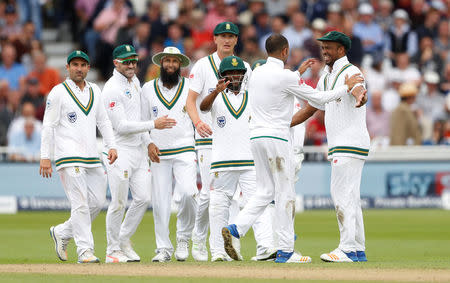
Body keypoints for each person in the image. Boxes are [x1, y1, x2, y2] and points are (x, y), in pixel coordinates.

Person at [222, 33, 365, 263]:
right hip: (276, 138)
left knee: (265, 191)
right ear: (285, 51)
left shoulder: (256, 73)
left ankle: (236, 227)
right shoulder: (286, 76)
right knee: (285, 194)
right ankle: (286, 251)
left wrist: (297, 73)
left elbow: (280, 86)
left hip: (256, 137)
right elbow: (317, 96)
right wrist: (345, 88)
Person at [290, 31, 369, 262]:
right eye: (323, 47)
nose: (324, 51)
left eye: (329, 47)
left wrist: (359, 96)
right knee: (351, 196)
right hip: (343, 143)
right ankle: (357, 249)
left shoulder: (351, 71)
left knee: (341, 194)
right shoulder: (326, 75)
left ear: (341, 50)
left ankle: (346, 249)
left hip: (349, 142)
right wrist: (285, 124)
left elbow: (358, 89)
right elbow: (313, 105)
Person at [40, 50, 117, 263]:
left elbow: (103, 121)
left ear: (88, 68)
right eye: (75, 65)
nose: (79, 69)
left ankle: (63, 232)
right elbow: (48, 126)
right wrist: (45, 156)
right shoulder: (58, 92)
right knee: (81, 204)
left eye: (83, 65)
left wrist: (112, 145)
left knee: (97, 202)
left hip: (92, 155)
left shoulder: (94, 90)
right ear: (68, 67)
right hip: (68, 156)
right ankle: (85, 251)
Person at [101, 44, 176, 263]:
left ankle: (123, 240)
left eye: (134, 60)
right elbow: (122, 126)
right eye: (126, 61)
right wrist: (154, 124)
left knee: (143, 198)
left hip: (138, 150)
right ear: (116, 63)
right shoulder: (111, 88)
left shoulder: (134, 82)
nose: (132, 65)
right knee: (118, 202)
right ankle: (112, 250)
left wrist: (149, 141)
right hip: (119, 150)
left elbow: (137, 118)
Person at [199, 56, 276, 262]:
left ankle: (266, 247)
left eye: (239, 73)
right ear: (222, 76)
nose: (235, 76)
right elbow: (203, 108)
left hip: (251, 161)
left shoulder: (252, 96)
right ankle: (217, 252)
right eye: (230, 73)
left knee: (258, 203)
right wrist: (216, 90)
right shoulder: (216, 97)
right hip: (222, 161)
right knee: (217, 206)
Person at [185, 21, 250, 261]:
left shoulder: (244, 67)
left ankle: (229, 245)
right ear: (214, 39)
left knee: (232, 195)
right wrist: (197, 122)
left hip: (235, 141)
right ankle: (200, 239)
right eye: (222, 36)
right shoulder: (202, 65)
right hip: (208, 137)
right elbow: (191, 101)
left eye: (231, 36)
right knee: (209, 194)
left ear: (236, 40)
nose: (226, 40)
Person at [141, 47, 197, 262]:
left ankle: (183, 237)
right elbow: (142, 121)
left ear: (180, 64)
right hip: (159, 152)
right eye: (167, 61)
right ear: (161, 63)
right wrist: (148, 143)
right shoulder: (147, 89)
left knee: (189, 193)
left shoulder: (190, 87)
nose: (171, 65)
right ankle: (163, 248)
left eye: (175, 61)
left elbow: (198, 114)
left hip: (185, 148)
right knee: (161, 202)